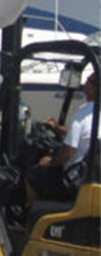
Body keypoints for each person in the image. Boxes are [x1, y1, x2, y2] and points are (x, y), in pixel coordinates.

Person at [25, 70, 99, 203]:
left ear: (93, 88)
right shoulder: (94, 116)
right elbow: (86, 135)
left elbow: (68, 152)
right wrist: (59, 129)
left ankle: (31, 217)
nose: (86, 85)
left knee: (33, 174)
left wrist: (50, 161)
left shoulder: (82, 115)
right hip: (93, 176)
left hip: (74, 178)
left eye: (89, 82)